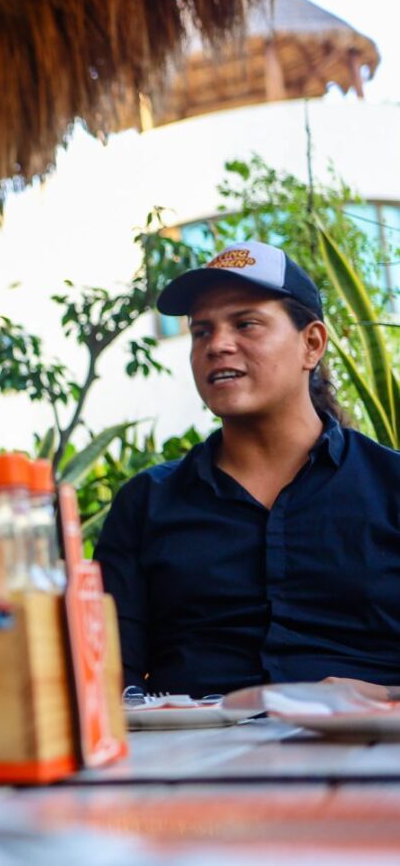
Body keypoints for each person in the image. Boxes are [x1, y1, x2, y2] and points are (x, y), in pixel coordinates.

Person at [96, 241, 400, 698]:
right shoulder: (146, 503)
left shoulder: (390, 487)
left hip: (367, 737)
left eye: (246, 324)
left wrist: (386, 697)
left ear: (312, 344)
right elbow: (106, 676)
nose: (217, 345)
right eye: (201, 331)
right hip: (195, 740)